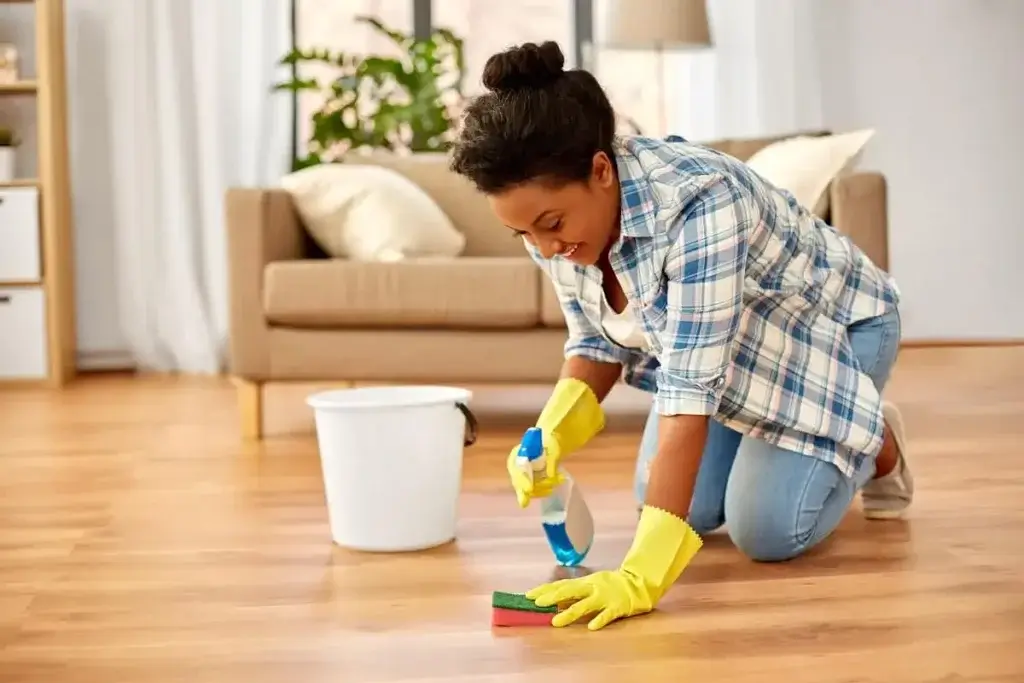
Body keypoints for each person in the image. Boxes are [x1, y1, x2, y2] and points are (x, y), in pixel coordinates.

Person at [448, 41, 913, 632]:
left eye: (551, 225)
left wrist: (641, 578)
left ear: (600, 170)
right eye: (522, 234)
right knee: (679, 506)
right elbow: (597, 342)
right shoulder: (563, 231)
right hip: (739, 356)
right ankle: (787, 442)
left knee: (766, 530)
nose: (544, 249)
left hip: (831, 334)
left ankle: (872, 435)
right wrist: (551, 434)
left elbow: (689, 392)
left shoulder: (699, 205)